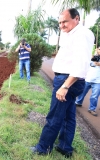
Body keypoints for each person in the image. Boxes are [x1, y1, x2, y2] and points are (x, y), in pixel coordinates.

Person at [30, 8, 94, 158]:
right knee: (68, 116)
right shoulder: (73, 34)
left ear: (76, 18)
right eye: (60, 22)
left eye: (65, 21)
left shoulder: (81, 34)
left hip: (68, 81)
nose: (62, 25)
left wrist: (65, 86)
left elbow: (81, 64)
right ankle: (65, 147)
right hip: (68, 80)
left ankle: (43, 148)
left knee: (54, 116)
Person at [75, 46, 100, 116]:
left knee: (95, 96)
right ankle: (78, 102)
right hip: (88, 78)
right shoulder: (91, 56)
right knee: (82, 92)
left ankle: (92, 109)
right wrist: (94, 55)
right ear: (97, 49)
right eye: (99, 49)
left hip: (98, 81)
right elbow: (88, 63)